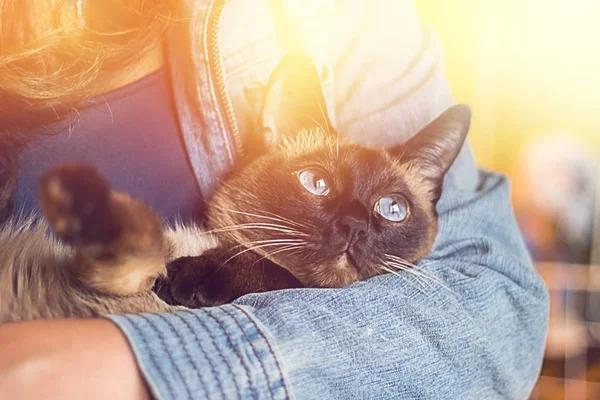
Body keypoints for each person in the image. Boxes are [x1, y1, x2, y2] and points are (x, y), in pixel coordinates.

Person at [0, 0, 549, 398]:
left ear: (430, 191)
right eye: (319, 184)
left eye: (394, 208)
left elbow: (495, 304)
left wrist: (135, 365)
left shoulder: (342, 17)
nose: (356, 225)